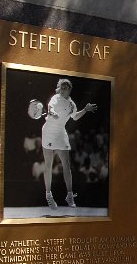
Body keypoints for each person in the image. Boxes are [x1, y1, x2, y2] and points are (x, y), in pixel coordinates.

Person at [41, 78, 97, 209]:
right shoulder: (55, 98)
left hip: (61, 132)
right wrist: (52, 113)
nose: (63, 89)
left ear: (69, 89)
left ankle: (70, 195)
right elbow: (50, 108)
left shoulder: (72, 104)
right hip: (49, 132)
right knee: (48, 165)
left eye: (66, 87)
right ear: (59, 88)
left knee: (66, 164)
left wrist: (85, 109)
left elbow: (75, 116)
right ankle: (49, 195)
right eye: (62, 87)